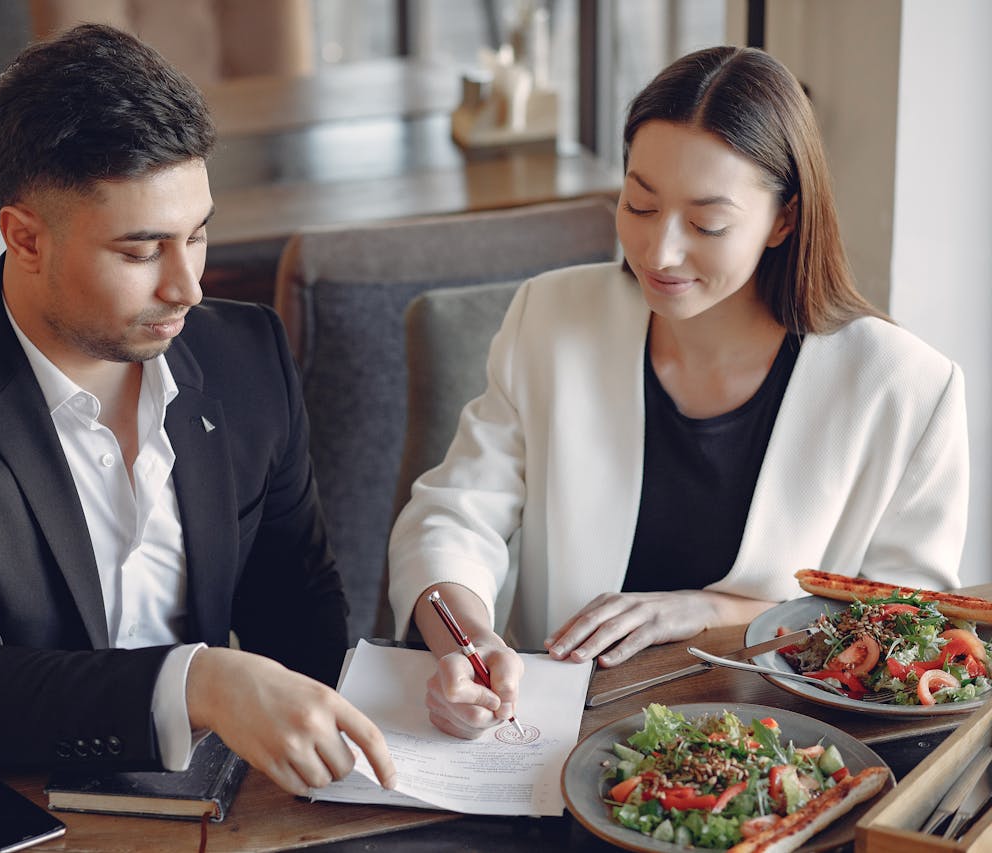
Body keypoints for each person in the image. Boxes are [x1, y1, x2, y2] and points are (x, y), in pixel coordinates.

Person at [0, 24, 395, 796]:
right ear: (25, 239)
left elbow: (300, 609)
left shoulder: (246, 356)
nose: (186, 286)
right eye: (141, 250)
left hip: (211, 798)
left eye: (199, 235)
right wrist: (200, 684)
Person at [387, 45, 968, 739]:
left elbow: (908, 634)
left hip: (786, 759)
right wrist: (467, 639)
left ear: (784, 219)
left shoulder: (906, 389)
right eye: (640, 202)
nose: (659, 252)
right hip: (553, 739)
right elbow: (452, 515)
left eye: (706, 224)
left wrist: (718, 610)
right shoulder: (550, 318)